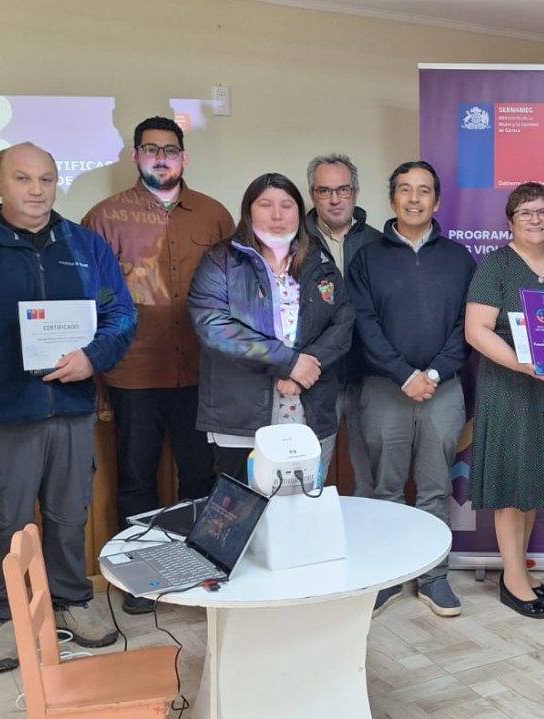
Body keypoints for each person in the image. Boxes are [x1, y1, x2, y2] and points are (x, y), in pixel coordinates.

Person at [0, 142, 136, 673]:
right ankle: (3, 618)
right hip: (2, 416)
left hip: (72, 409)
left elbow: (120, 313)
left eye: (46, 179)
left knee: (70, 514)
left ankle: (73, 600)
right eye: (23, 178)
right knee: (5, 520)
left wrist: (94, 357)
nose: (37, 190)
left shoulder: (85, 245)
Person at [82, 116, 235, 615]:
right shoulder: (104, 218)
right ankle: (142, 579)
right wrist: (97, 376)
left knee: (200, 477)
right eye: (151, 149)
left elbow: (237, 291)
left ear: (184, 157)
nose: (161, 157)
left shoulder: (214, 215)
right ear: (135, 156)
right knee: (136, 479)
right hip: (133, 373)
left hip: (203, 373)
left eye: (170, 149)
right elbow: (89, 303)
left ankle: (198, 571)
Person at [346, 161, 475, 618]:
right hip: (385, 389)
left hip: (443, 390)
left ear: (437, 201)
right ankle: (388, 576)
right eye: (405, 189)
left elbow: (467, 325)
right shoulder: (367, 258)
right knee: (386, 489)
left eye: (423, 191)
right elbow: (364, 324)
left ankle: (434, 577)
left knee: (436, 490)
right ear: (392, 199)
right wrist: (404, 375)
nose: (414, 198)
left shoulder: (459, 258)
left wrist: (433, 374)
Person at [464, 182, 544, 619]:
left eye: (543, 212)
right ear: (510, 221)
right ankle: (513, 579)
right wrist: (524, 365)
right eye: (525, 213)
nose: (535, 219)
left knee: (532, 482)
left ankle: (519, 568)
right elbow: (476, 331)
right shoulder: (495, 265)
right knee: (511, 485)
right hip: (510, 389)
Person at [188, 173, 353, 485]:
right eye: (266, 205)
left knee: (305, 504)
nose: (277, 215)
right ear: (249, 211)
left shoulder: (317, 258)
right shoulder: (222, 259)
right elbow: (213, 326)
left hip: (310, 407)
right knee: (245, 508)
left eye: (286, 206)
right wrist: (289, 363)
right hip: (241, 415)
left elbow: (342, 320)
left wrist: (305, 369)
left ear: (299, 212)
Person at [304, 153, 383, 497]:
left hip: (369, 374)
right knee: (310, 472)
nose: (334, 199)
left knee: (371, 477)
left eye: (343, 190)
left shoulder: (379, 243)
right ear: (312, 195)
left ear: (355, 193)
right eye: (324, 191)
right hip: (316, 376)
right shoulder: (296, 244)